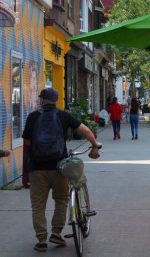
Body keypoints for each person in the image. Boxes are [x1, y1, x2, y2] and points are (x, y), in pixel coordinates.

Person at [22, 88, 101, 252]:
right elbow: (86, 131)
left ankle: (41, 240)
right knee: (61, 199)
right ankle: (56, 234)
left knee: (38, 205)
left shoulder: (33, 117)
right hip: (59, 167)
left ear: (42, 100)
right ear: (56, 100)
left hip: (36, 169)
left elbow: (28, 142)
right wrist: (95, 145)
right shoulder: (63, 115)